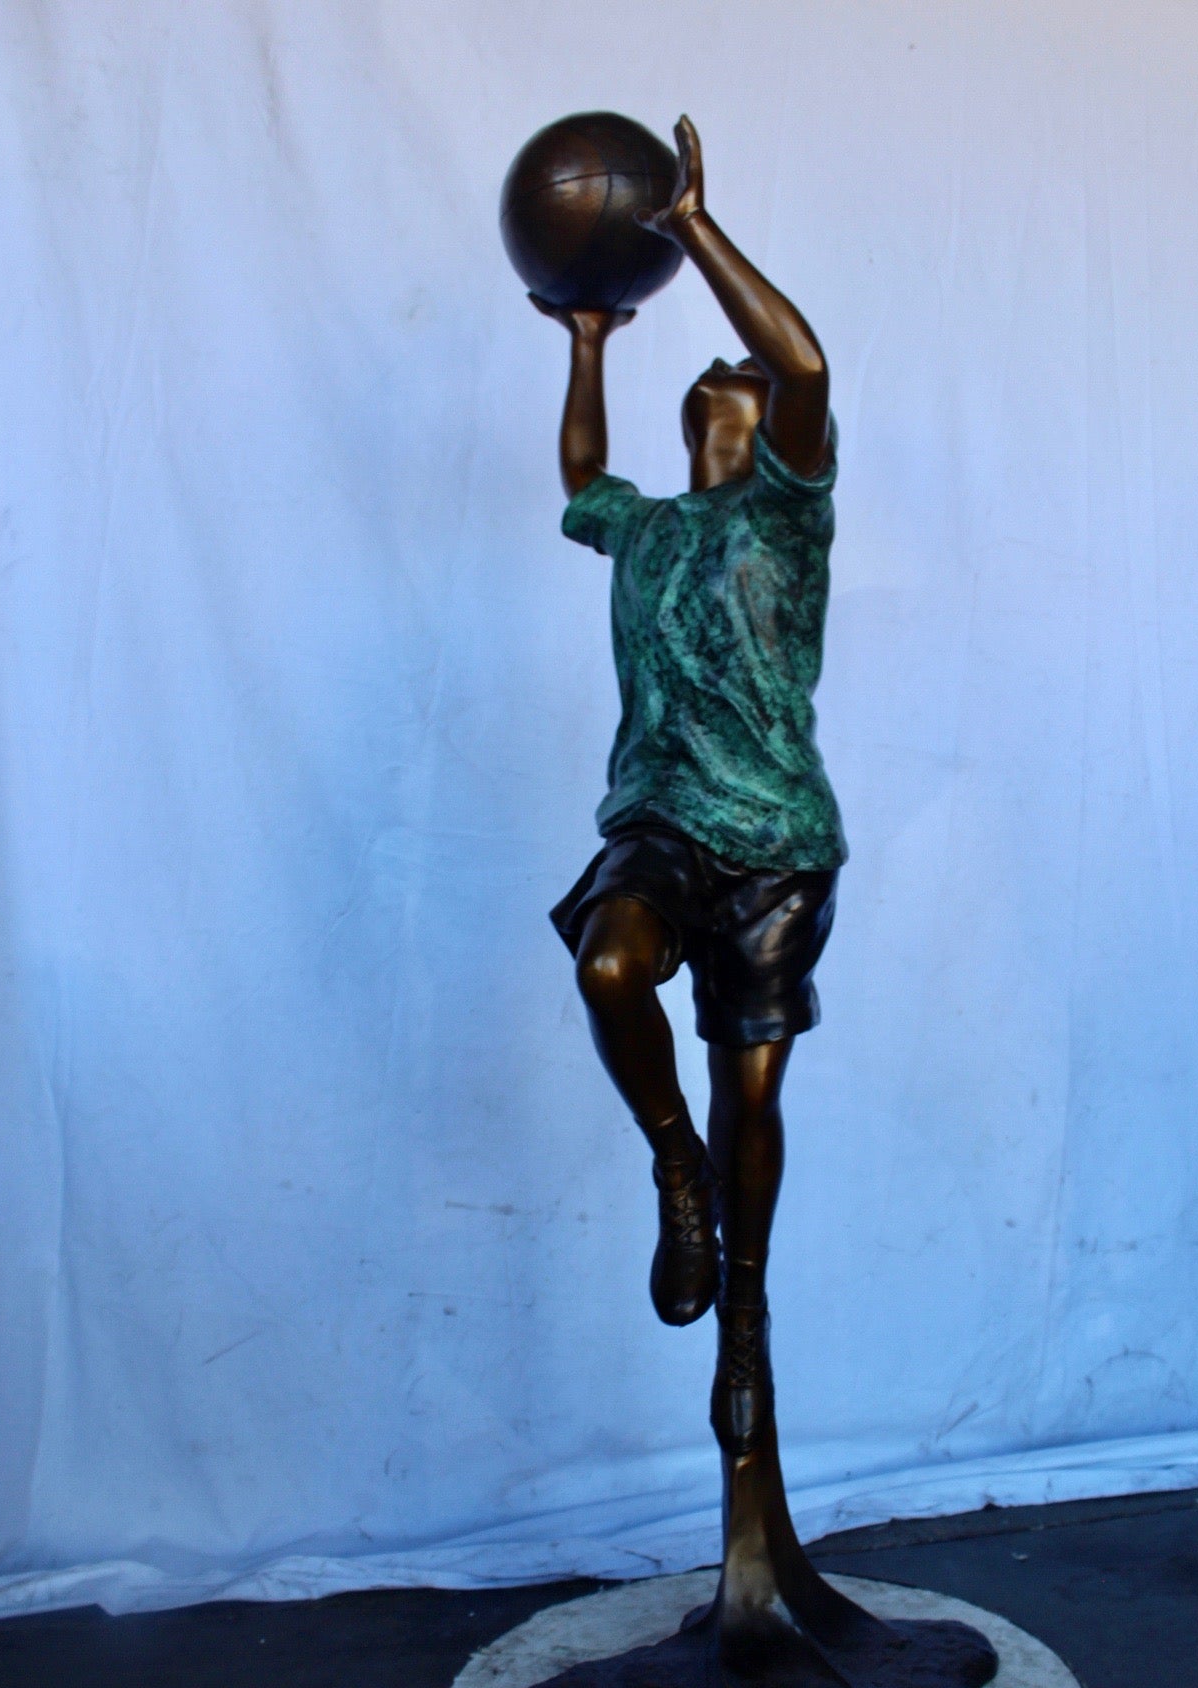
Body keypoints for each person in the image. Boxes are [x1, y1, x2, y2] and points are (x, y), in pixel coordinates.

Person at [533, 116, 846, 1458]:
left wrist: (695, 230)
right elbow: (582, 478)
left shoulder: (788, 504)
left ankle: (750, 1330)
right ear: (697, 416)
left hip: (776, 841)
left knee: (757, 1098)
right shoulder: (652, 530)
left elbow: (806, 358)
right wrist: (590, 339)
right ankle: (675, 1168)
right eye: (713, 368)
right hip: (659, 824)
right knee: (611, 970)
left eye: (743, 370)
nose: (731, 364)